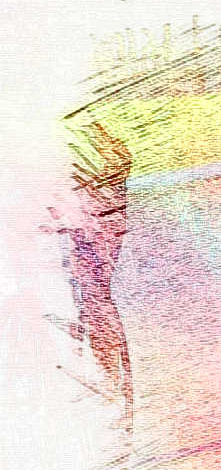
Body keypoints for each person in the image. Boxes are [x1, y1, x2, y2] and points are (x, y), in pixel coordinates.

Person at [42, 122, 134, 434]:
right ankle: (108, 378)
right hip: (89, 232)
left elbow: (116, 169)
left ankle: (112, 382)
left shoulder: (94, 153)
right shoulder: (84, 152)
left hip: (96, 232)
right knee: (90, 302)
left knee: (96, 304)